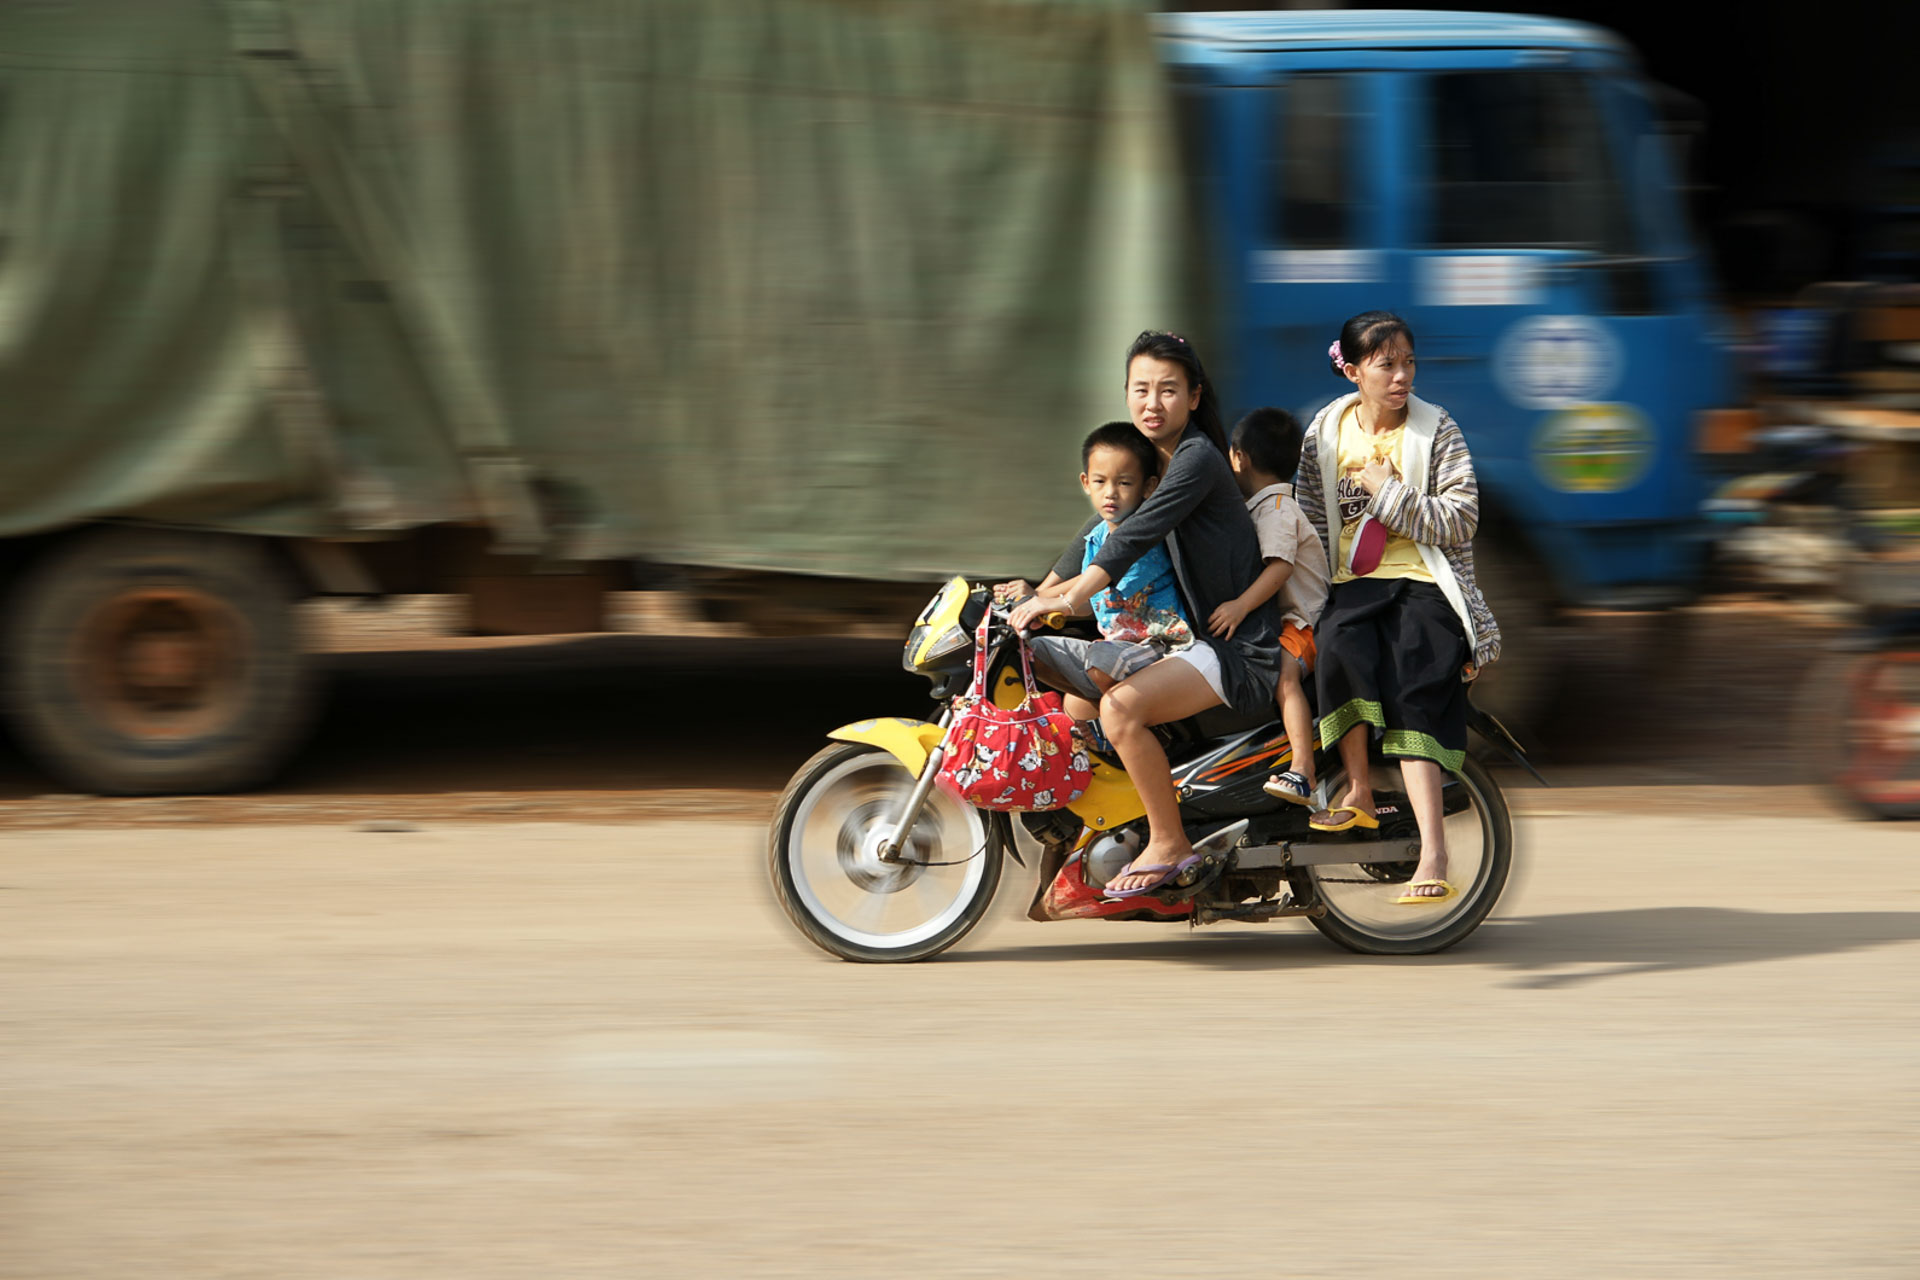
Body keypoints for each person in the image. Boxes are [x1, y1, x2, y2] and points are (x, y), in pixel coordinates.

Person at [1011, 331, 1281, 898]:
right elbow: (1101, 525)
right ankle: (1102, 836)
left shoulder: (1196, 458)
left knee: (1120, 710)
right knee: (1075, 707)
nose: (1152, 403)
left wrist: (1067, 601)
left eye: (1168, 390)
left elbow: (1134, 534)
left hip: (1232, 645)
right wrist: (1037, 591)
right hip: (1185, 641)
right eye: (1141, 389)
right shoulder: (1149, 457)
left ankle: (1169, 841)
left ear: (1195, 397)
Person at [1295, 311, 1501, 904]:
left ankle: (1433, 853)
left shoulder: (1438, 429)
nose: (1401, 376)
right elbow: (1310, 518)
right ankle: (1358, 791)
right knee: (1336, 651)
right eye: (1386, 365)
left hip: (1426, 583)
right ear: (1353, 371)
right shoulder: (1324, 432)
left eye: (1408, 362)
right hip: (1350, 585)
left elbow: (1462, 519)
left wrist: (1387, 492)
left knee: (1414, 678)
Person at [1023, 423, 1196, 712]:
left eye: (1124, 483)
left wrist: (1041, 599)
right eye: (1100, 481)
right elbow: (1092, 603)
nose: (1110, 493)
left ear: (1149, 486)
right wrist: (1044, 610)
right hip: (1116, 648)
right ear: (1085, 482)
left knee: (1101, 660)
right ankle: (1102, 709)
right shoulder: (1096, 537)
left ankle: (1129, 717)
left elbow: (1105, 580)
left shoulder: (1145, 538)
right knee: (1030, 652)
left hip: (1158, 645)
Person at [1204, 407, 1329, 806]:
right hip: (1286, 621)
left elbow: (1280, 568)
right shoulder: (1262, 506)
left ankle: (1303, 769)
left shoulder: (1276, 509)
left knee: (1283, 677)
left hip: (1304, 624)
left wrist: (1240, 607)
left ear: (1239, 457)